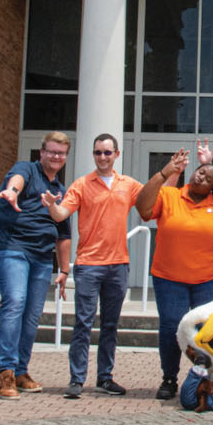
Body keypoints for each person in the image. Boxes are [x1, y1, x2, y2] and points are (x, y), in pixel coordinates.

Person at [137, 144, 213, 400]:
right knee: (170, 327)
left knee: (209, 330)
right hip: (169, 278)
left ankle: (208, 379)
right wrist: (164, 173)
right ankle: (169, 377)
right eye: (199, 172)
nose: (200, 176)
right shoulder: (170, 196)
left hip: (209, 279)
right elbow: (143, 209)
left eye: (207, 177)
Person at [39, 132, 143, 399]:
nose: (103, 157)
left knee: (110, 325)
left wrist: (171, 174)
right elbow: (62, 213)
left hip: (118, 265)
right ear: (93, 154)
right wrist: (52, 206)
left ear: (116, 155)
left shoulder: (128, 184)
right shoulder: (82, 184)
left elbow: (153, 201)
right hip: (88, 265)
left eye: (108, 152)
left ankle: (105, 378)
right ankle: (77, 379)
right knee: (83, 324)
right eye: (98, 152)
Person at [0, 130, 74, 400]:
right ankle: (6, 371)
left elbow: (64, 235)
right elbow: (17, 180)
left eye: (61, 153)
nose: (56, 156)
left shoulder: (59, 190)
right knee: (15, 302)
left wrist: (65, 271)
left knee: (32, 314)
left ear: (66, 157)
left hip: (41, 257)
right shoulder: (27, 169)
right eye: (52, 151)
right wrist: (12, 192)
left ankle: (21, 370)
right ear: (42, 153)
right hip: (11, 248)